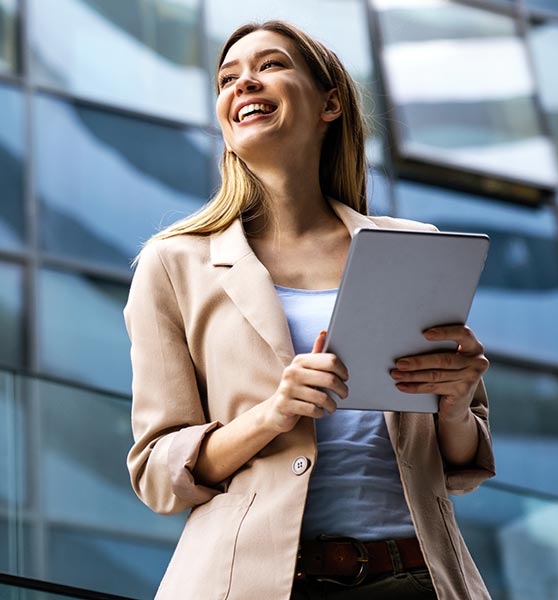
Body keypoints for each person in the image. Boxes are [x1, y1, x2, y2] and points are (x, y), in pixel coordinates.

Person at [124, 20, 495, 600]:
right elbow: (156, 474)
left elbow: (461, 464)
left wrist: (452, 404)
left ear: (330, 103)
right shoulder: (174, 264)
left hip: (417, 578)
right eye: (227, 78)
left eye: (269, 66)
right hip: (249, 582)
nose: (243, 83)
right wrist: (272, 414)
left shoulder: (413, 246)